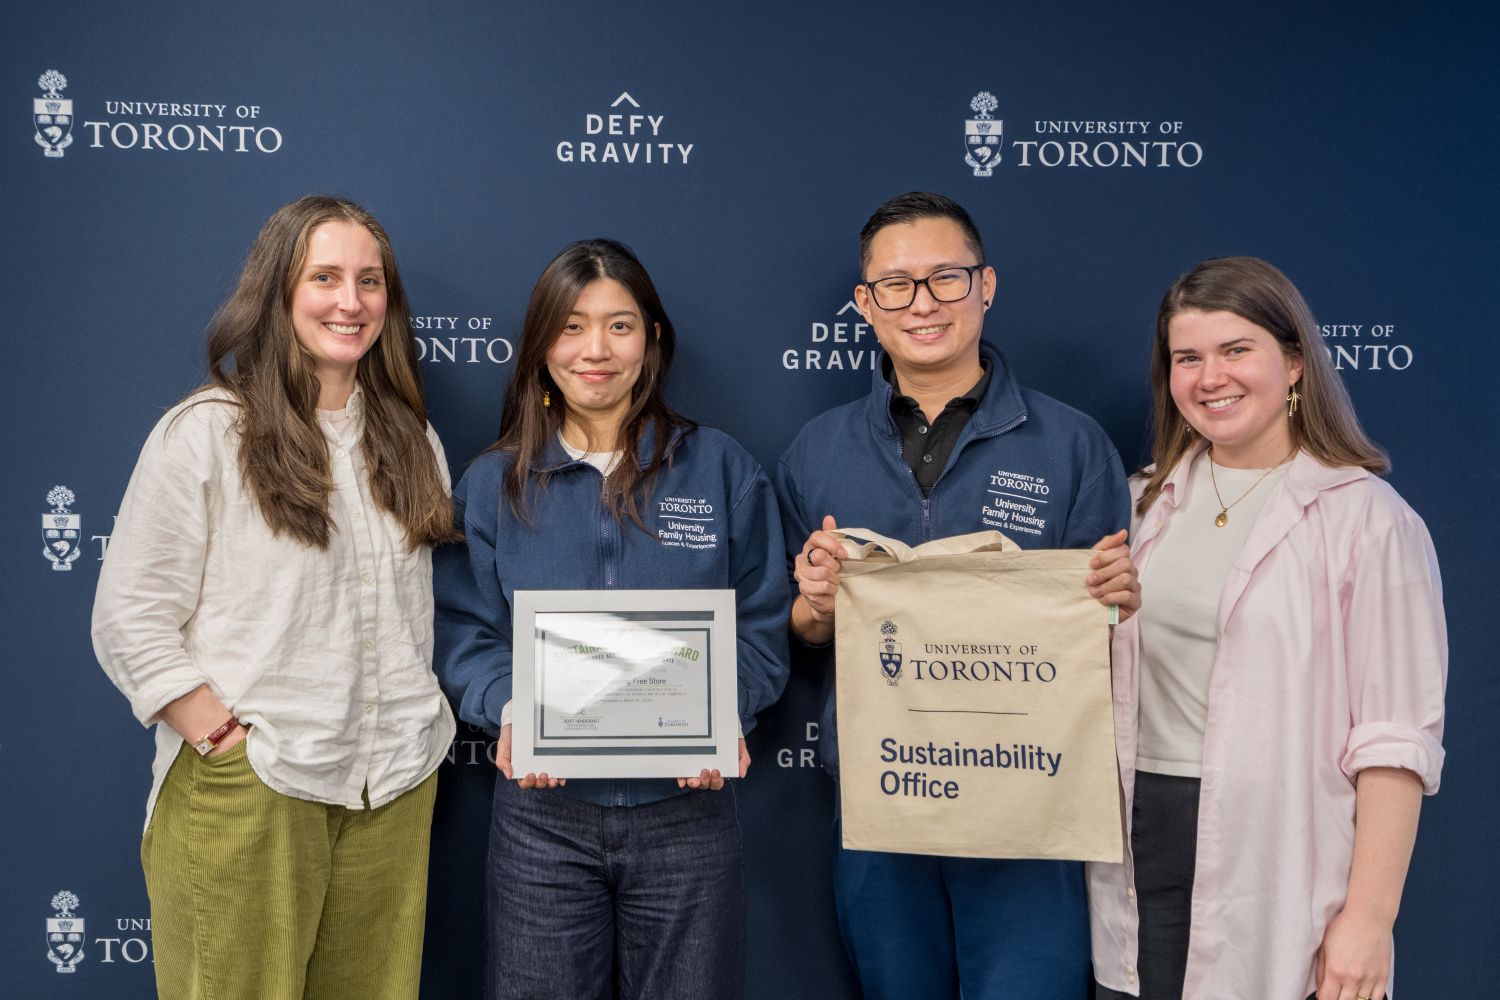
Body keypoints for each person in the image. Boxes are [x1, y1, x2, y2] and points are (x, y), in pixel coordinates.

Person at [91, 195, 458, 1000]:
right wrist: (224, 741)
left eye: (369, 280)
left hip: (391, 791)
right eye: (324, 277)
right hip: (256, 788)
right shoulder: (209, 432)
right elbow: (130, 615)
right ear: (278, 291)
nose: (350, 301)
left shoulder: (411, 439)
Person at [779, 191, 1140, 1000]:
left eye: (946, 278)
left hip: (1029, 802)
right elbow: (801, 629)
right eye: (897, 285)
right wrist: (816, 605)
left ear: (987, 286)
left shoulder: (1072, 443)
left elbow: (1102, 628)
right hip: (883, 795)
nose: (924, 303)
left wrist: (1117, 600)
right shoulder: (817, 451)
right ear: (866, 306)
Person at [432, 238, 789, 1000]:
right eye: (570, 326)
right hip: (543, 818)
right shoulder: (494, 483)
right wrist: (510, 708)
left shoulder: (720, 468)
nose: (596, 349)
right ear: (538, 345)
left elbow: (762, 619)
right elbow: (464, 630)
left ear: (653, 340)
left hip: (687, 812)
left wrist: (725, 710)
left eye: (620, 325)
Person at [1088, 257, 1447, 1000]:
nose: (1210, 377)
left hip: (1279, 857)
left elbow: (1395, 741)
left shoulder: (1368, 520)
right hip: (1137, 835)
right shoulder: (1138, 507)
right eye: (1187, 358)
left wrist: (1369, 919)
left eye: (1235, 351)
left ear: (1293, 365)